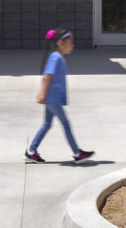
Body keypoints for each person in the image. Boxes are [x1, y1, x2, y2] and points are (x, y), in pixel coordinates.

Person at [25, 29, 94, 163]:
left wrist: (42, 93)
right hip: (52, 98)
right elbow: (48, 76)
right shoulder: (56, 57)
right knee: (65, 124)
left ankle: (31, 151)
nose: (72, 45)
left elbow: (45, 75)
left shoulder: (56, 57)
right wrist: (43, 94)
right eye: (69, 42)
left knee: (46, 124)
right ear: (60, 43)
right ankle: (77, 153)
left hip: (51, 97)